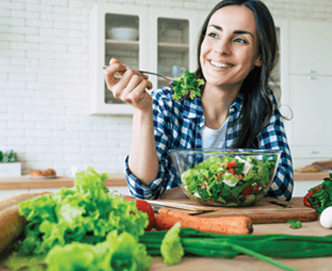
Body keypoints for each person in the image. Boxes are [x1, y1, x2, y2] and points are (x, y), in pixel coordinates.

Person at [103, 0, 294, 201]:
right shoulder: (165, 102)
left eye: (239, 40)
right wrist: (142, 111)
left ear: (260, 57)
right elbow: (145, 192)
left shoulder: (263, 106)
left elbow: (281, 188)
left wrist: (184, 190)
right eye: (213, 34)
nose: (221, 49)